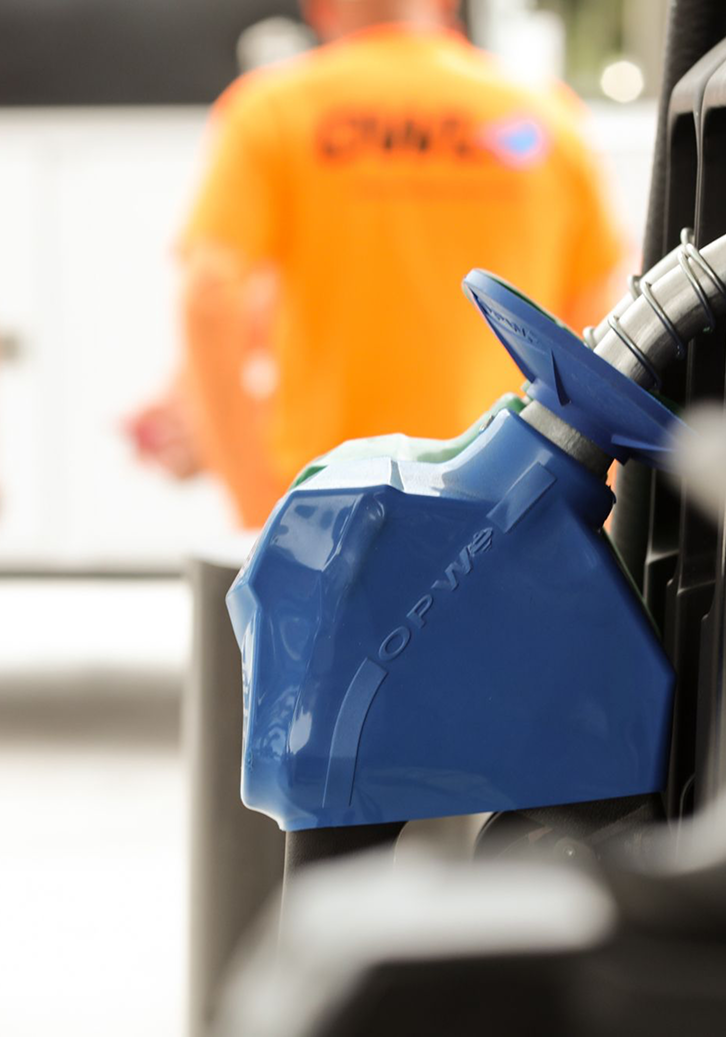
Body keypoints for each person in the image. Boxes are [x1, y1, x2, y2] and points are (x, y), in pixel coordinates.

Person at [129, 0, 626, 528]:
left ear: (319, 9)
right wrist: (594, 525)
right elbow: (600, 340)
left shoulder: (277, 108)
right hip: (505, 505)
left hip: (329, 510)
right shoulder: (545, 116)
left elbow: (212, 296)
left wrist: (254, 503)